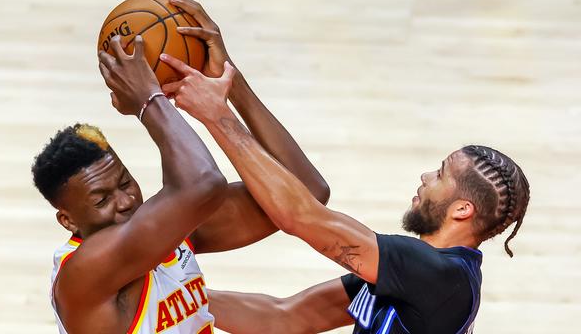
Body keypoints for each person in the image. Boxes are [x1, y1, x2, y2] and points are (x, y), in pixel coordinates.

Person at [160, 31, 531, 333]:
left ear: (463, 209)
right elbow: (286, 315)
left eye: (441, 174)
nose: (426, 177)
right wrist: (173, 298)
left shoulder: (438, 276)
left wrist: (217, 117)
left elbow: (300, 216)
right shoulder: (413, 275)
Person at [31, 0, 329, 334]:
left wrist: (230, 81)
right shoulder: (84, 274)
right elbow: (203, 182)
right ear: (67, 221)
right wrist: (148, 101)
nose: (126, 201)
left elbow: (305, 193)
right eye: (101, 200)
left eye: (125, 183)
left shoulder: (168, 230)